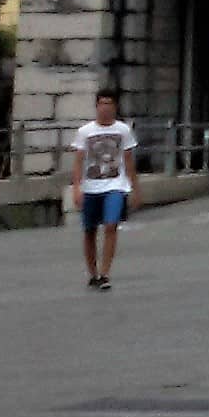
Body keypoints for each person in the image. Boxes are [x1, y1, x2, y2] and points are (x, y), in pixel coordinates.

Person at [70, 88, 139, 290]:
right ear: (97, 106)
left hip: (115, 184)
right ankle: (92, 272)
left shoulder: (123, 130)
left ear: (115, 107)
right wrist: (76, 188)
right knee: (89, 230)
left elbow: (128, 160)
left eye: (109, 104)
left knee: (111, 225)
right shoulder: (85, 132)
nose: (105, 108)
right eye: (102, 104)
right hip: (91, 186)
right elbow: (78, 162)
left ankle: (105, 273)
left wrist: (135, 188)